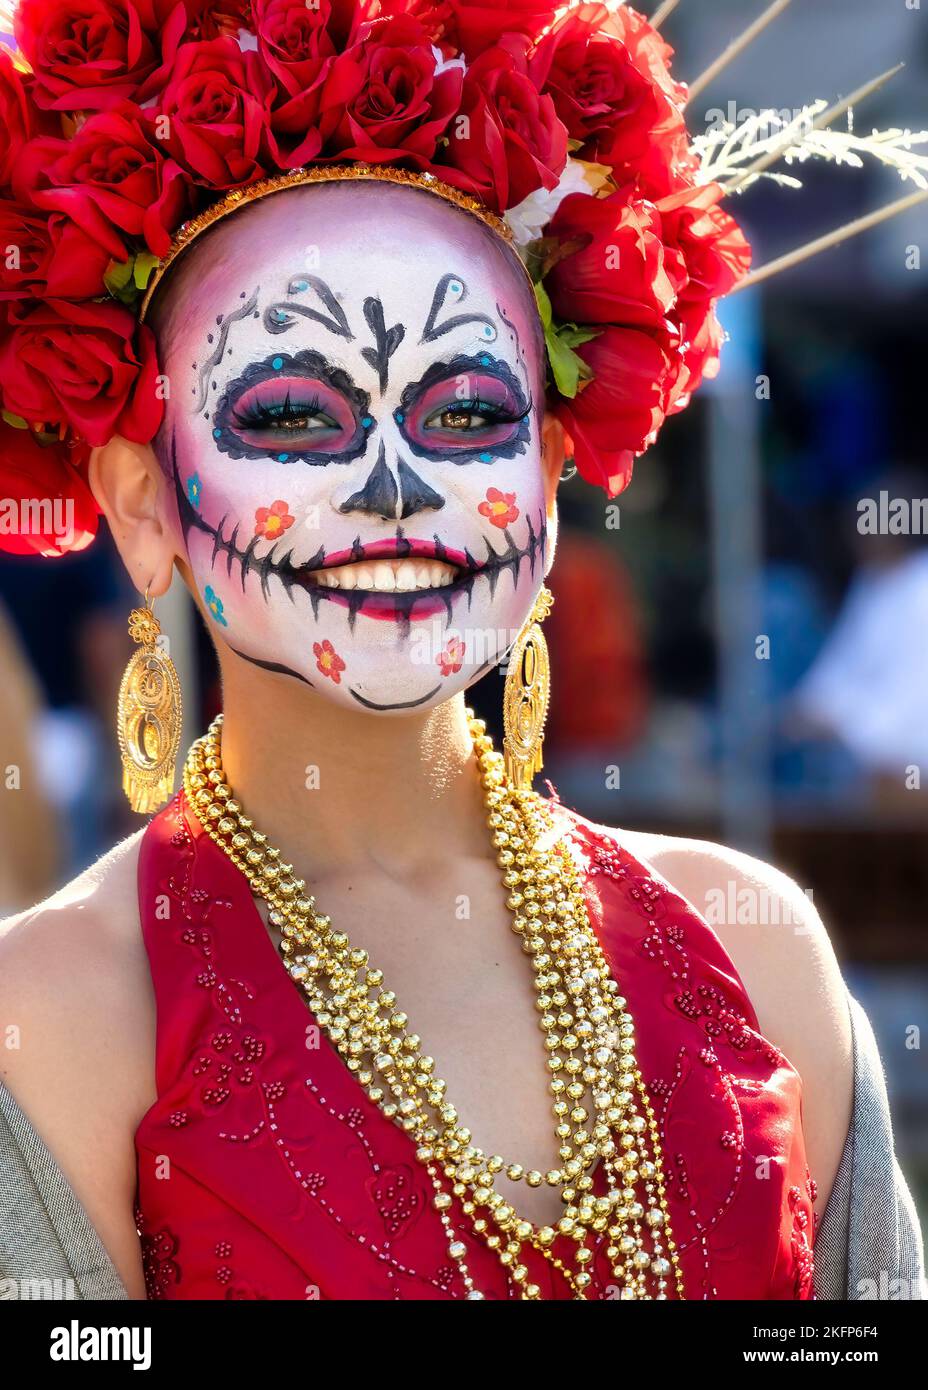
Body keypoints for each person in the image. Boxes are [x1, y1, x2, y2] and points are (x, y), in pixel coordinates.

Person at [0, 0, 922, 1303]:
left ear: (546, 478)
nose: (395, 487)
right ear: (147, 503)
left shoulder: (760, 948)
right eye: (293, 413)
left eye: (469, 410)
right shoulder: (58, 1017)